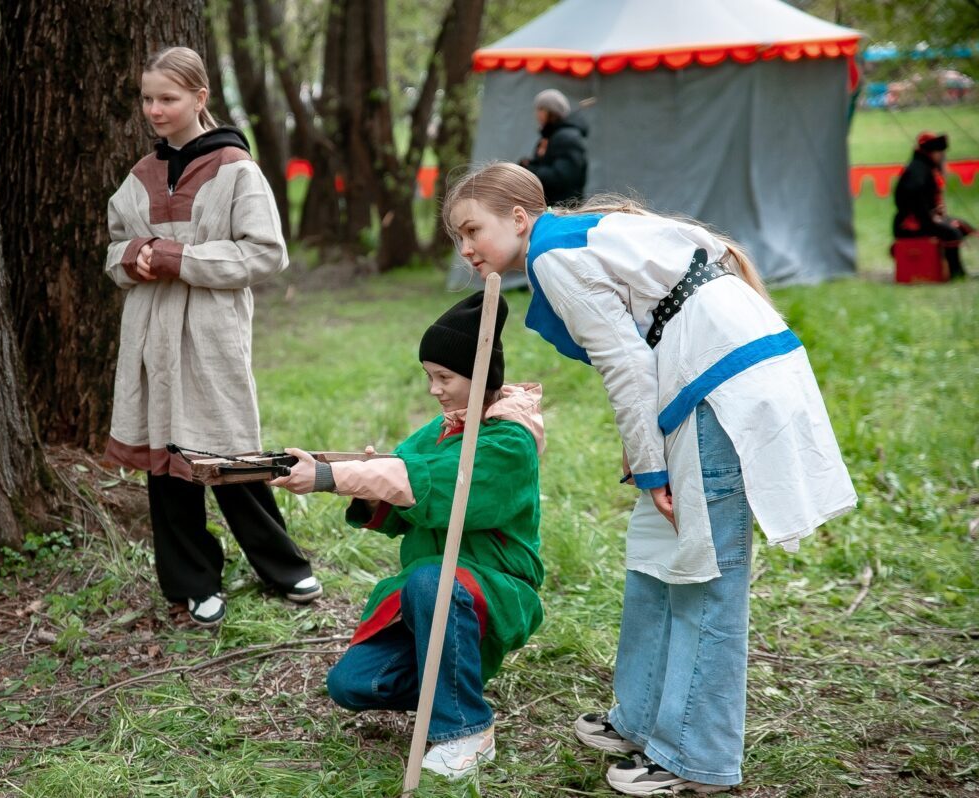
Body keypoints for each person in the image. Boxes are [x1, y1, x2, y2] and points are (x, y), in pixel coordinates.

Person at [441, 163, 856, 795]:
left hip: (717, 388)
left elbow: (627, 364)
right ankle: (640, 718)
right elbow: (645, 344)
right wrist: (648, 454)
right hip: (699, 380)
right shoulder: (570, 239)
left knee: (703, 572)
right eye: (458, 237)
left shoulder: (552, 256)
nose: (466, 248)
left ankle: (696, 754)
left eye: (472, 229)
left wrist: (653, 463)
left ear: (519, 217)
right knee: (659, 556)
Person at [269, 292, 546, 781]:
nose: (434, 390)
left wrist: (336, 477)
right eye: (429, 377)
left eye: (445, 377)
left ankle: (465, 728)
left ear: (481, 376)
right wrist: (366, 480)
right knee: (353, 684)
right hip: (430, 595)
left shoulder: (509, 443)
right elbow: (399, 497)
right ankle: (451, 681)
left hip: (492, 591)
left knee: (429, 580)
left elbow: (430, 485)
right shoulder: (434, 434)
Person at [101, 46, 320, 628]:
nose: (155, 109)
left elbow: (265, 252)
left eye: (167, 98)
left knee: (226, 450)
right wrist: (133, 258)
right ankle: (192, 580)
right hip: (150, 333)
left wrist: (178, 256)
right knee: (166, 458)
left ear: (200, 98)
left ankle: (282, 565)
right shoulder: (139, 176)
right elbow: (113, 249)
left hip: (210, 332)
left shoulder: (235, 169)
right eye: (147, 98)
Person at [893, 131, 974, 279]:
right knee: (951, 232)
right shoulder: (917, 170)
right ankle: (956, 273)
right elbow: (912, 197)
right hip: (910, 224)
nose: (941, 156)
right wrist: (929, 217)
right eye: (938, 152)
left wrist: (935, 212)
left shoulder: (924, 168)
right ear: (931, 152)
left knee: (960, 226)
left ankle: (951, 270)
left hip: (924, 218)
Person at [518, 88, 588, 206]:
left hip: (564, 210)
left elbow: (563, 177)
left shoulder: (566, 138)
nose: (537, 114)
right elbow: (546, 164)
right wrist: (529, 164)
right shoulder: (551, 136)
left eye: (541, 109)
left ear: (552, 112)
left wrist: (531, 170)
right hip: (553, 207)